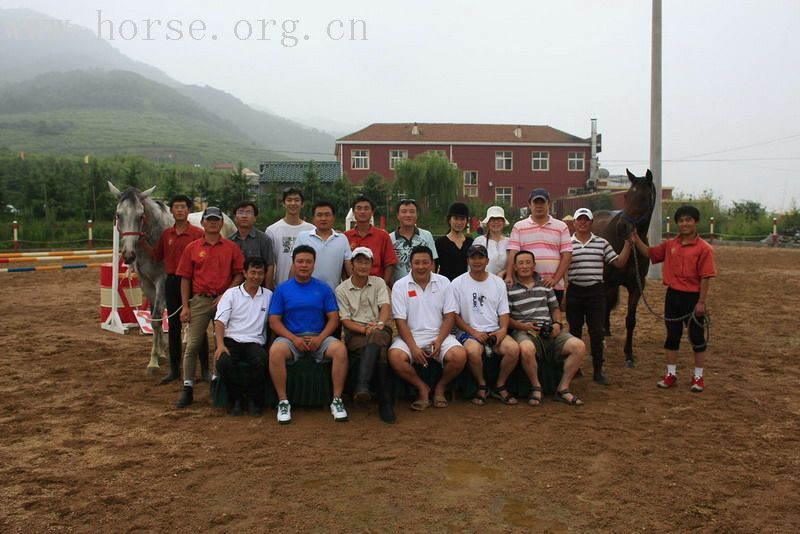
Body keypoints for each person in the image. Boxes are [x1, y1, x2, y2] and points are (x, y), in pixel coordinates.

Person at [631, 205, 716, 392]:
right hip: (673, 296)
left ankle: (698, 377)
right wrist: (635, 238)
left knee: (697, 337)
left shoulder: (704, 249)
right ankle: (671, 374)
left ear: (695, 222)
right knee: (672, 336)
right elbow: (650, 253)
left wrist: (701, 302)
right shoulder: (670, 245)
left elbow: (706, 277)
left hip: (693, 297)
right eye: (681, 220)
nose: (684, 224)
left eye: (688, 220)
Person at [268, 245, 349, 424]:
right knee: (275, 352)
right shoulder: (282, 289)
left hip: (319, 337)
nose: (304, 265)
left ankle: (337, 400)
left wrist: (320, 339)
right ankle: (283, 402)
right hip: (291, 337)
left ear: (314, 264)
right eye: (300, 261)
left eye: (308, 262)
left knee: (340, 350)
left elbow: (334, 319)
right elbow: (274, 321)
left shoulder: (324, 288)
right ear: (293, 263)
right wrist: (293, 338)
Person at [175, 207, 245, 408]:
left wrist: (226, 294)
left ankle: (216, 383)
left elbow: (239, 274)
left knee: (221, 344)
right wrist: (185, 306)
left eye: (216, 220)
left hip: (224, 301)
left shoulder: (231, 247)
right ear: (203, 223)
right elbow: (185, 278)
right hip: (200, 300)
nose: (213, 223)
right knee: (192, 345)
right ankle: (187, 387)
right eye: (209, 220)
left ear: (221, 223)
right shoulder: (193, 248)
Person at [388, 246, 467, 411]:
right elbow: (400, 321)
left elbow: (450, 316)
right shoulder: (400, 285)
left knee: (459, 356)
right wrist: (413, 348)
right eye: (417, 263)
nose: (421, 267)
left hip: (439, 335)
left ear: (433, 264)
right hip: (410, 336)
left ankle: (440, 388)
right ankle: (422, 388)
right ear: (410, 264)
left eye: (425, 262)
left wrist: (439, 341)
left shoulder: (444, 282)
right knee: (395, 357)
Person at [142, 194, 206, 385]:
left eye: (183, 207)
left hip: (193, 282)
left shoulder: (197, 233)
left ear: (188, 210)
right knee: (174, 327)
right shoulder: (166, 235)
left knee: (198, 326)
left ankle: (204, 369)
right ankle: (174, 370)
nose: (179, 210)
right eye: (176, 207)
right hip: (171, 282)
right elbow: (155, 256)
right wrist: (140, 241)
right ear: (171, 211)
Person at [507, 251, 586, 406]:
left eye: (528, 262)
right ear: (515, 267)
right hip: (524, 330)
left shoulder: (545, 284)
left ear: (534, 265)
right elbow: (506, 318)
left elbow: (555, 308)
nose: (525, 266)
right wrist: (523, 326)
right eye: (521, 263)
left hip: (549, 328)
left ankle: (563, 388)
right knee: (527, 349)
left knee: (579, 347)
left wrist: (557, 324)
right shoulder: (508, 287)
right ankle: (536, 387)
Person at [566, 207, 632, 385]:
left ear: (591, 223)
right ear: (574, 223)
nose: (582, 223)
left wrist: (627, 244)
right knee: (574, 332)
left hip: (596, 292)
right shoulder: (567, 244)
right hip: (575, 291)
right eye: (579, 219)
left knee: (597, 332)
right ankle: (576, 368)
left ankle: (598, 369)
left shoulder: (601, 243)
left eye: (586, 220)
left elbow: (618, 262)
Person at [452, 244, 520, 406]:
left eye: (480, 257)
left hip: (493, 330)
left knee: (513, 349)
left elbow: (504, 312)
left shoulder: (498, 283)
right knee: (472, 351)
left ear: (487, 260)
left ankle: (500, 385)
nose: (477, 261)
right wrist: (473, 332)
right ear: (467, 260)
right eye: (473, 258)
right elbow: (454, 315)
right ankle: (482, 385)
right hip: (469, 331)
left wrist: (502, 330)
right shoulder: (457, 283)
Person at [335, 247, 396, 423]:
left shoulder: (378, 283)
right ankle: (385, 402)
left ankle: (362, 386)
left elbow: (385, 306)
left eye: (366, 262)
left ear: (372, 264)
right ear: (352, 265)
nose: (363, 266)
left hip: (380, 329)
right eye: (359, 262)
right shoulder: (342, 289)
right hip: (356, 334)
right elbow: (345, 320)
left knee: (377, 337)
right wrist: (364, 330)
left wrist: (380, 324)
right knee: (381, 351)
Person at [213, 257, 272, 417]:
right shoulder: (231, 294)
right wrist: (220, 345)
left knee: (261, 360)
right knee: (223, 362)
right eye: (253, 272)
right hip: (231, 340)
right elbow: (219, 321)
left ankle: (253, 401)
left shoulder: (268, 295)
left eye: (260, 273)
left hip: (254, 342)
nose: (256, 277)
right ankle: (236, 399)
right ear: (245, 273)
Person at [505, 188, 573, 304]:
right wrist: (509, 275)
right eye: (536, 203)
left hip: (553, 285)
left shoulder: (561, 226)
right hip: (526, 285)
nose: (539, 206)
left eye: (542, 203)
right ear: (529, 205)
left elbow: (567, 255)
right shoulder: (519, 226)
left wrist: (555, 279)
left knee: (554, 319)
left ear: (549, 204)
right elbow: (513, 252)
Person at [293, 200, 352, 291]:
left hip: (333, 294)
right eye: (319, 215)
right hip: (306, 293)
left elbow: (349, 269)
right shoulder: (303, 237)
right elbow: (294, 266)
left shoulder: (342, 239)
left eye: (327, 215)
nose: (323, 218)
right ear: (313, 218)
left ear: (333, 218)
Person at [265, 187, 315, 288]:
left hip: (307, 286)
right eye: (289, 200)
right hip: (281, 287)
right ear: (283, 204)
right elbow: (269, 263)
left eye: (297, 200)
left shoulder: (312, 230)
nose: (293, 203)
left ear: (302, 204)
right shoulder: (272, 230)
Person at [344, 195, 398, 286]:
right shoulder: (345, 237)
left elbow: (389, 263)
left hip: (377, 285)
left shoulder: (383, 236)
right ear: (353, 212)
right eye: (359, 208)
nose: (362, 212)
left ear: (372, 212)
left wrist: (382, 285)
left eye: (366, 208)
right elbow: (343, 266)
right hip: (352, 286)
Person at [228, 200, 275, 289]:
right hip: (234, 290)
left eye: (249, 212)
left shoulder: (264, 239)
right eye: (241, 212)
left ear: (255, 217)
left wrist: (268, 290)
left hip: (258, 288)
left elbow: (270, 266)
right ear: (235, 217)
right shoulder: (229, 241)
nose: (244, 216)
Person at [389, 199, 438, 284]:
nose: (408, 215)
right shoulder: (389, 238)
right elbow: (389, 267)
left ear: (416, 214)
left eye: (412, 212)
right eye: (404, 212)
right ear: (398, 215)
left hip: (424, 285)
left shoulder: (427, 235)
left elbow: (432, 262)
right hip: (400, 288)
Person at [435, 202, 473, 281]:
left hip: (466, 285)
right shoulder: (440, 243)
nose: (459, 222)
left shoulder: (471, 243)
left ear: (466, 221)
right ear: (449, 220)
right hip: (446, 285)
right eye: (456, 218)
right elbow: (434, 268)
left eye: (462, 219)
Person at [472, 205, 510, 277]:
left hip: (504, 282)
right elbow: (472, 264)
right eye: (492, 220)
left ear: (503, 222)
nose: (496, 222)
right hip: (483, 281)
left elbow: (513, 263)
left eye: (499, 219)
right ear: (487, 223)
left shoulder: (509, 242)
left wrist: (504, 272)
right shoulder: (479, 241)